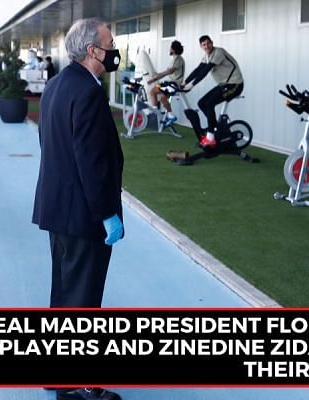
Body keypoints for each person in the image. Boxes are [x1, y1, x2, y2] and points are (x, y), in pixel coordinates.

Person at [31, 17, 124, 400]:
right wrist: (107, 213)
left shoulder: (57, 85)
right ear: (92, 50)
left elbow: (51, 143)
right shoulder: (87, 92)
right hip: (84, 215)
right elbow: (92, 161)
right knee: (83, 300)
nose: (114, 49)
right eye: (109, 43)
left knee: (65, 295)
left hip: (59, 210)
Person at [183, 35, 244, 148]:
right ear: (201, 46)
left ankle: (211, 137)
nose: (206, 46)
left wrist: (191, 85)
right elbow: (198, 69)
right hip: (224, 85)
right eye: (204, 45)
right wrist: (184, 83)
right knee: (201, 103)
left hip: (235, 84)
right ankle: (216, 128)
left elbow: (206, 70)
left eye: (208, 43)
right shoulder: (206, 57)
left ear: (212, 42)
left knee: (210, 104)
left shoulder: (218, 52)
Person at [147, 40, 185, 127]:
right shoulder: (174, 59)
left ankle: (170, 115)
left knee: (163, 97)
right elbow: (166, 73)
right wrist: (153, 80)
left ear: (173, 49)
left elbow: (169, 71)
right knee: (153, 91)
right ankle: (156, 112)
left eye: (170, 48)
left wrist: (157, 75)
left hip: (174, 84)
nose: (169, 50)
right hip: (169, 83)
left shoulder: (179, 59)